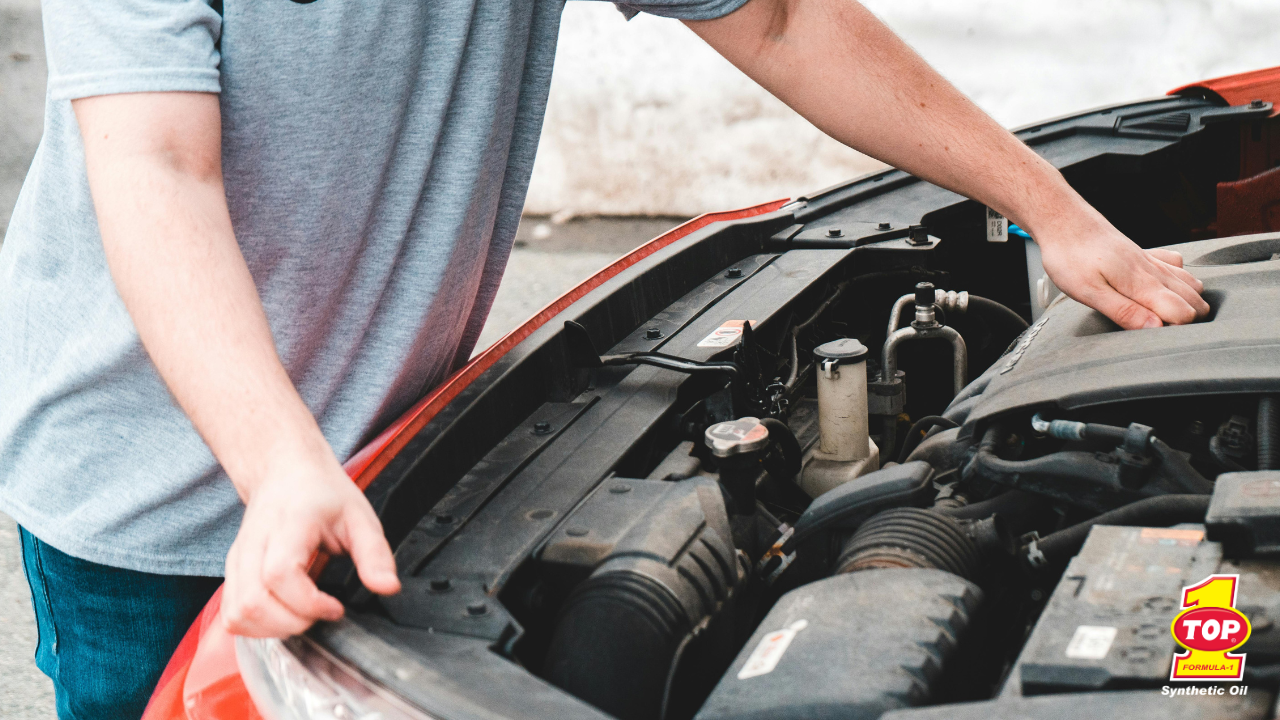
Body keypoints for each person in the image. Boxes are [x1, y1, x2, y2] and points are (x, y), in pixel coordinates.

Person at [0, 0, 1208, 717]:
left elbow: (780, 18)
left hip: (392, 459)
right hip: (152, 486)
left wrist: (1049, 210)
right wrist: (276, 465)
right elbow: (156, 163)